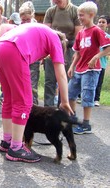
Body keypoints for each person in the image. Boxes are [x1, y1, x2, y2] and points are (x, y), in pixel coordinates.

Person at [0, 23, 73, 163]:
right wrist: (65, 101)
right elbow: (61, 74)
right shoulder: (55, 40)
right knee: (24, 101)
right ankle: (16, 148)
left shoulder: (41, 31)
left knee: (9, 99)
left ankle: (7, 141)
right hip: (14, 50)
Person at [67, 2, 110, 134]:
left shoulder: (97, 31)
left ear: (91, 15)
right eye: (78, 15)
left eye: (81, 15)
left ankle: (86, 124)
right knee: (70, 93)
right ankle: (73, 119)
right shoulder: (81, 33)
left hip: (91, 70)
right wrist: (72, 66)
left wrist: (97, 57)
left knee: (87, 96)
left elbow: (108, 48)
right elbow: (78, 52)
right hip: (79, 68)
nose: (79, 18)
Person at [43, 0, 82, 107]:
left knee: (65, 80)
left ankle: (63, 108)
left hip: (69, 49)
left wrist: (75, 51)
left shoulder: (74, 11)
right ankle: (48, 108)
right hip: (52, 48)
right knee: (49, 80)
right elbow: (46, 31)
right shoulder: (51, 11)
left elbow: (78, 35)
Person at [19, 1, 40, 105]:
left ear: (32, 16)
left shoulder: (37, 27)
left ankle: (34, 105)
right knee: (21, 84)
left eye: (28, 19)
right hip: (21, 58)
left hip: (34, 59)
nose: (26, 22)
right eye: (23, 20)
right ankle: (23, 105)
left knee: (32, 84)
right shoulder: (19, 28)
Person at [94, 15, 110, 107]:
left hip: (102, 63)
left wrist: (101, 54)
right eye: (99, 22)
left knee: (99, 82)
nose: (100, 24)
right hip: (91, 63)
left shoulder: (108, 37)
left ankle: (96, 98)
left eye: (103, 22)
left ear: (107, 24)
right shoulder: (94, 34)